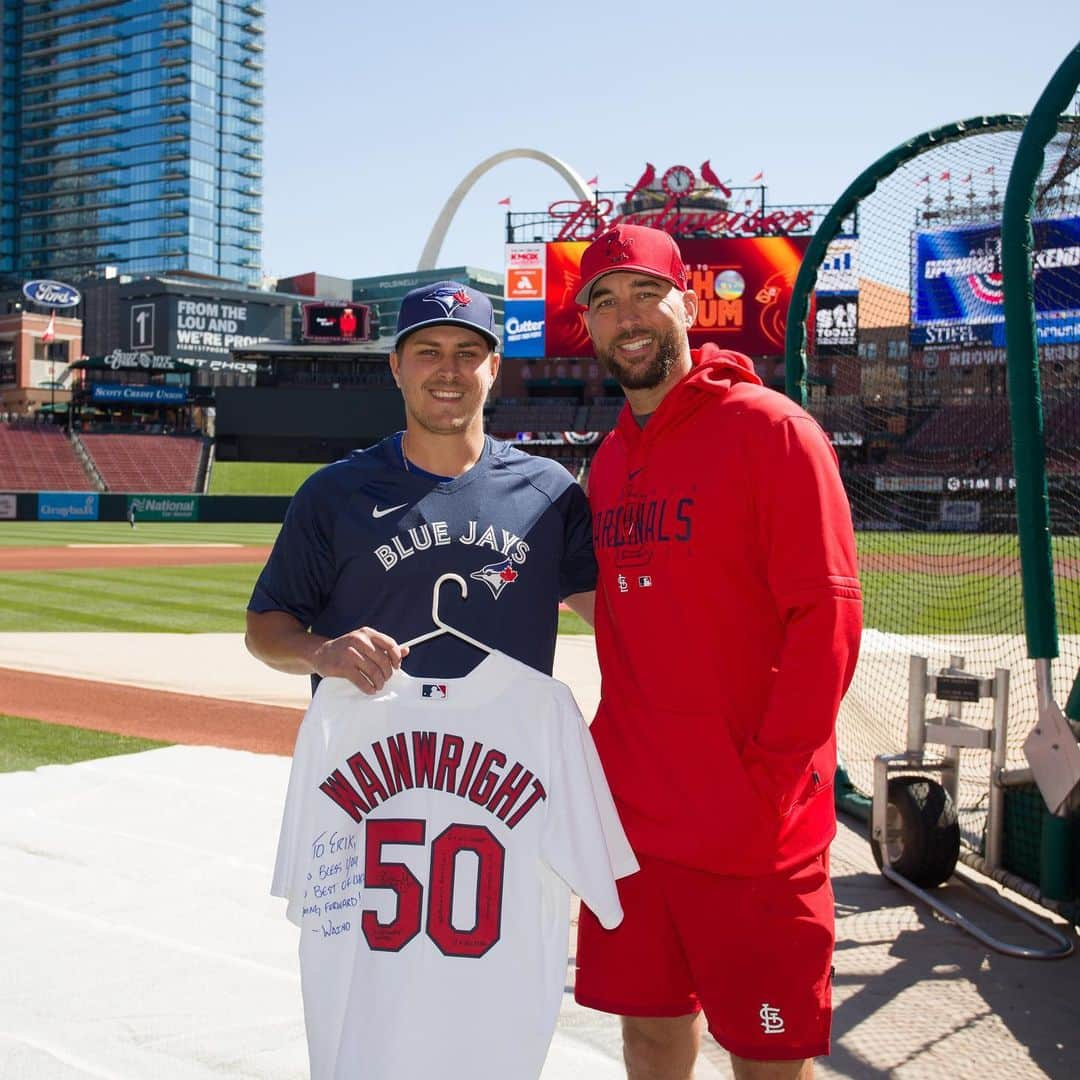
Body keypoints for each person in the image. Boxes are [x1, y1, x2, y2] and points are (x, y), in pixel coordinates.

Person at [571, 224, 862, 1080]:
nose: (626, 317)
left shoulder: (771, 430)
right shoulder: (610, 461)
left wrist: (768, 781)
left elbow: (828, 620)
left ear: (685, 305)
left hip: (751, 825)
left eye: (644, 293)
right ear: (587, 325)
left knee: (768, 1052)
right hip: (634, 818)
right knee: (650, 1034)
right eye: (603, 300)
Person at [245, 280, 596, 695]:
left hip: (506, 755)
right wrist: (321, 653)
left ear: (494, 368)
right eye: (428, 352)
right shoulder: (333, 493)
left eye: (467, 354)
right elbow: (264, 629)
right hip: (374, 755)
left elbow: (621, 621)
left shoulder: (550, 493)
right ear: (396, 366)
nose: (448, 370)